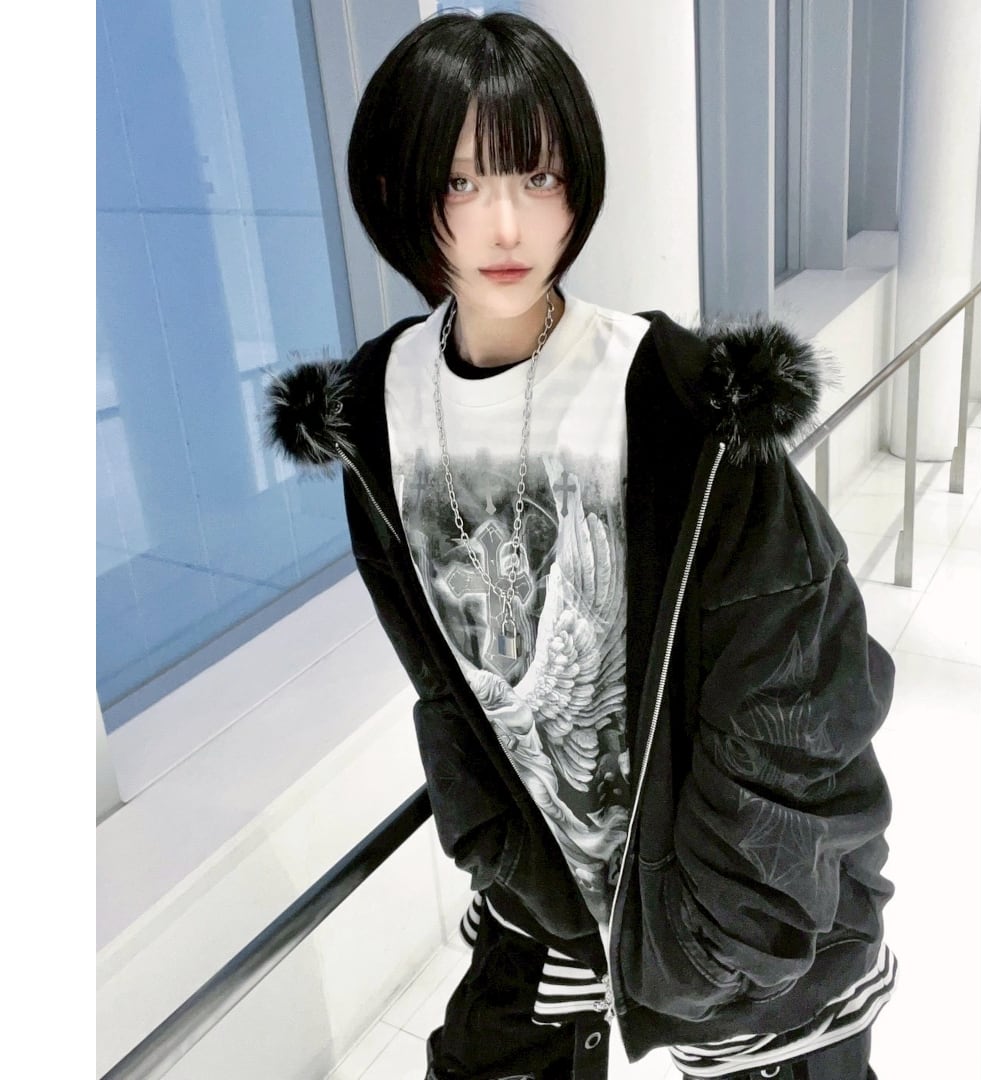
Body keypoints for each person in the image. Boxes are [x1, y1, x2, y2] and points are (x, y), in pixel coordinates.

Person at [268, 11, 895, 1080]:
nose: (506, 224)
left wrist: (706, 947)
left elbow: (797, 691)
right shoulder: (373, 411)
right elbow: (444, 683)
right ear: (397, 191)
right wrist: (508, 860)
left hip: (750, 929)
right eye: (461, 182)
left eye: (539, 176)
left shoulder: (682, 398)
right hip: (549, 909)